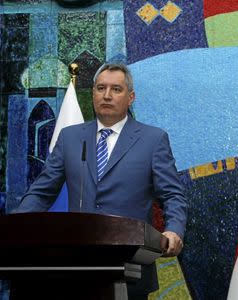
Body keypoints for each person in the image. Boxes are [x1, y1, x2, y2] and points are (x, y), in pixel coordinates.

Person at [15, 63, 188, 299]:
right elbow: (41, 192)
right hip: (77, 267)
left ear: (131, 97)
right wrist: (18, 228)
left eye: (116, 89)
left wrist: (173, 231)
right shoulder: (70, 137)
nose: (107, 95)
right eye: (100, 88)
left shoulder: (153, 139)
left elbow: (172, 195)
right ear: (93, 93)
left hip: (131, 268)